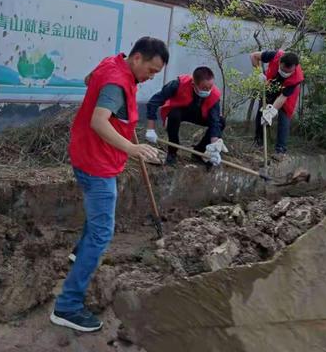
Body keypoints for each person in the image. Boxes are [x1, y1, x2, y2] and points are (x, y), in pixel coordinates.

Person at [50, 36, 169, 332]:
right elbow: (99, 121)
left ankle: (80, 254)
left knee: (96, 223)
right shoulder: (117, 83)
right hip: (97, 165)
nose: (151, 77)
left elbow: (89, 78)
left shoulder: (112, 63)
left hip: (86, 156)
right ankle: (67, 307)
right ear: (138, 58)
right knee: (103, 234)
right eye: (151, 70)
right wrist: (132, 148)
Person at [144, 66, 226, 166]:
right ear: (193, 84)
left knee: (221, 121)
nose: (208, 91)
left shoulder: (214, 95)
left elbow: (214, 122)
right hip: (181, 111)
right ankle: (172, 152)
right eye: (204, 88)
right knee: (174, 114)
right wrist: (150, 129)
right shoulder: (178, 84)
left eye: (210, 87)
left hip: (201, 114)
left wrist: (214, 148)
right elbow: (153, 102)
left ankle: (199, 152)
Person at [250, 49, 304, 158]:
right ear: (280, 62)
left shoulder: (297, 78)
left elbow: (283, 97)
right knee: (262, 112)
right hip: (271, 86)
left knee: (284, 117)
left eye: (288, 72)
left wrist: (271, 112)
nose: (285, 73)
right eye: (283, 70)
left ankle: (280, 151)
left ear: (295, 68)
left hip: (286, 94)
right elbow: (253, 56)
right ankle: (258, 143)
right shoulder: (275, 56)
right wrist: (258, 73)